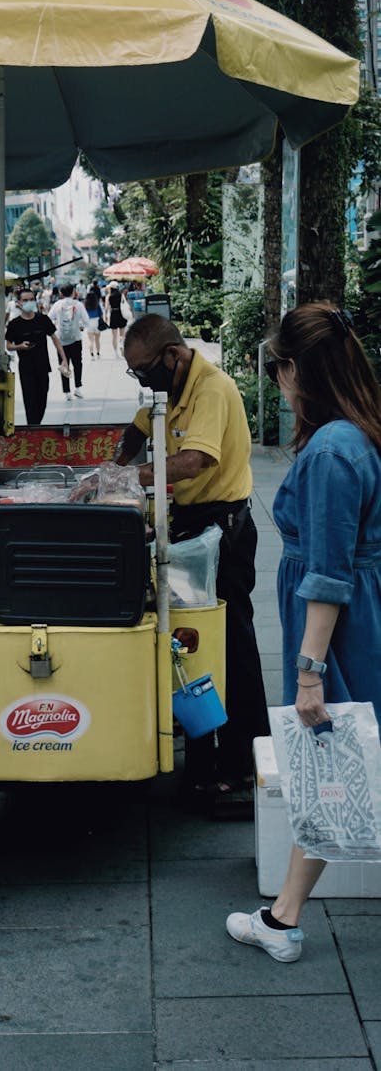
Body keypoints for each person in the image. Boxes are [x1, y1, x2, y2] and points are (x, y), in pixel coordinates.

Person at [227, 302, 381, 962]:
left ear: (297, 370)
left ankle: (284, 918)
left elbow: (327, 572)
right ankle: (283, 915)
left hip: (339, 628)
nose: (276, 381)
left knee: (333, 757)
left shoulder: (329, 453)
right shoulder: (359, 434)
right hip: (359, 615)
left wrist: (309, 667)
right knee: (340, 761)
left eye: (278, 366)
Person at [115, 314, 269, 807]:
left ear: (172, 357)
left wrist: (126, 481)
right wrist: (112, 465)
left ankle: (244, 762)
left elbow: (194, 460)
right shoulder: (173, 391)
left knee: (231, 642)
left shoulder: (212, 389)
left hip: (224, 527)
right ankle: (201, 755)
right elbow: (138, 430)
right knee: (189, 643)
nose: (141, 380)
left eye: (143, 371)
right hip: (189, 523)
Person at [5, 287, 69, 427]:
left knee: (42, 400)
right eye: (25, 300)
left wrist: (64, 359)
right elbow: (8, 346)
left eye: (31, 299)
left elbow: (55, 339)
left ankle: (35, 426)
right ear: (19, 303)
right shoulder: (14, 324)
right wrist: (20, 346)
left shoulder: (43, 319)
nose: (29, 302)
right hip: (26, 368)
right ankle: (33, 429)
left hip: (42, 366)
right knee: (30, 401)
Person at [49, 283, 90, 401]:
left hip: (61, 341)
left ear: (61, 293)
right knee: (78, 364)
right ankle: (77, 388)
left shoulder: (57, 305)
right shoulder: (78, 305)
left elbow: (49, 319)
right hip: (76, 339)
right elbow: (86, 321)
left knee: (64, 364)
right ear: (73, 292)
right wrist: (80, 325)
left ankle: (66, 392)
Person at [105, 283, 127, 357]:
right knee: (122, 334)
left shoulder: (109, 296)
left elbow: (106, 307)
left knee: (114, 335)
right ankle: (121, 345)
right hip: (121, 314)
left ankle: (115, 352)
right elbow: (125, 304)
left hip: (113, 314)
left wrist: (105, 316)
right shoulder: (121, 295)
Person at [84, 284, 104, 359]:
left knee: (90, 340)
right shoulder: (97, 304)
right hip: (96, 321)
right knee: (97, 340)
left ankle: (92, 354)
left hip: (89, 322)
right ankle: (98, 353)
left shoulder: (85, 304)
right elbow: (101, 314)